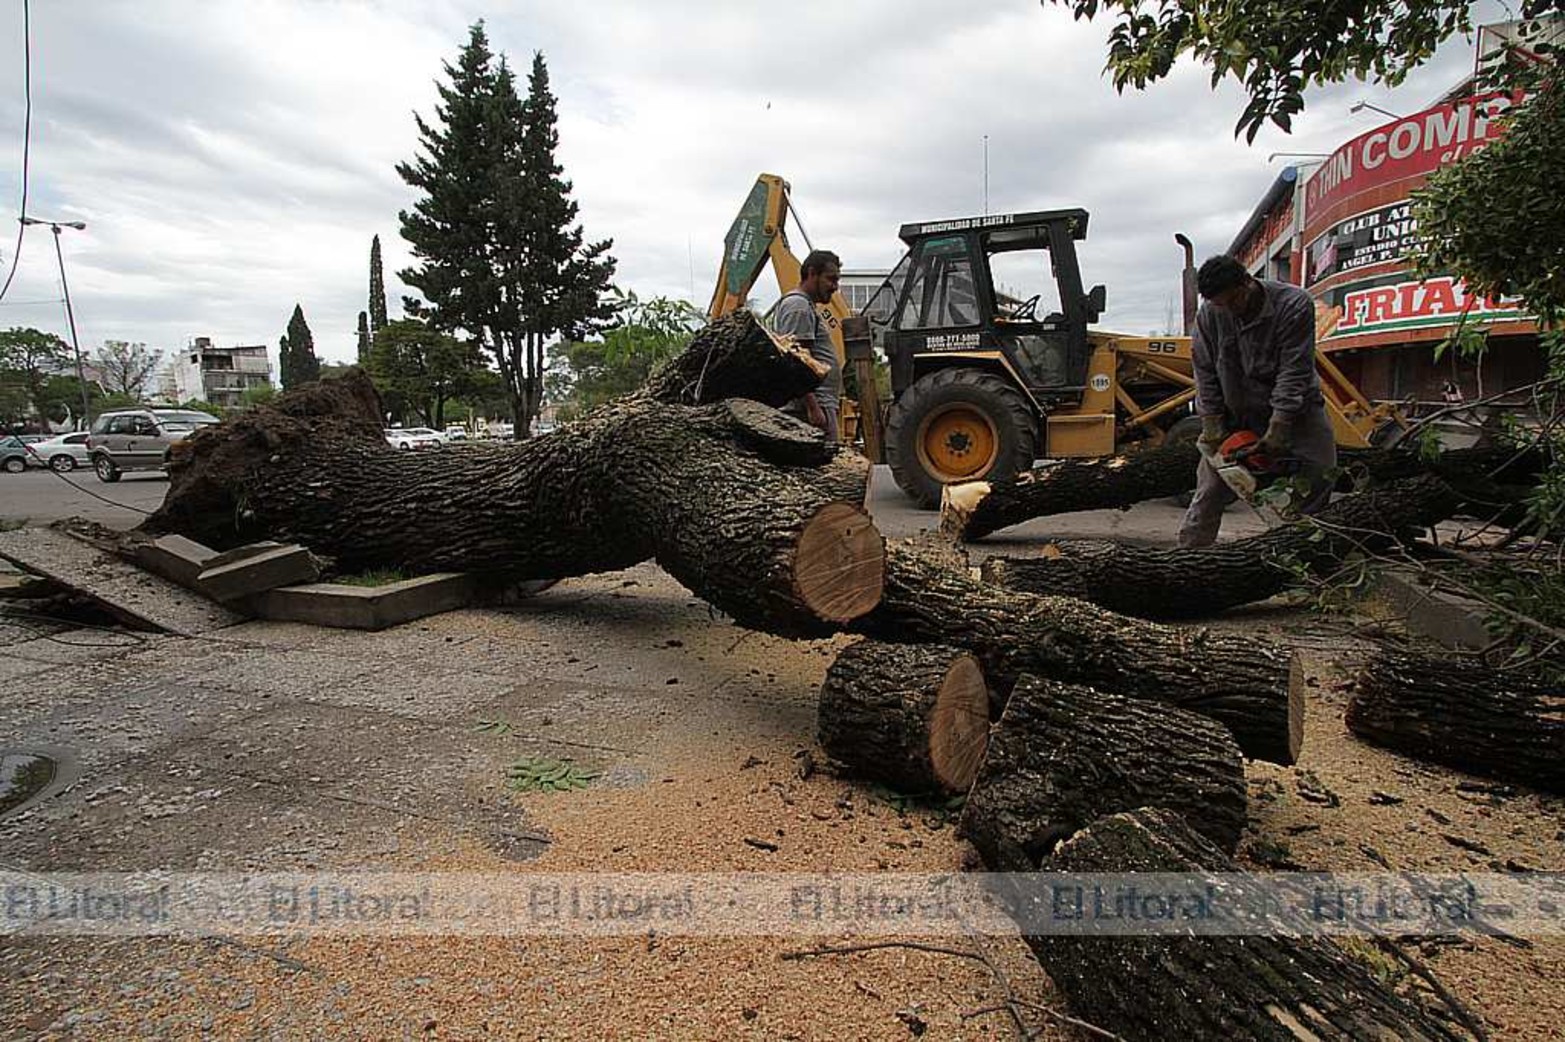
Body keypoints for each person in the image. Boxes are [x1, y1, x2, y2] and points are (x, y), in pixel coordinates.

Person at [1179, 255, 1336, 548]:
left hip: (1298, 410)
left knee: (1320, 472)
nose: (1228, 309)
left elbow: (1295, 369)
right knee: (1210, 488)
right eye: (1219, 304)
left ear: (1247, 283)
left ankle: (1305, 556)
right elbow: (1205, 370)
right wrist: (1211, 421)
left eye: (1232, 301)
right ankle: (1190, 556)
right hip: (1237, 412)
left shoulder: (1293, 305)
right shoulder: (1211, 314)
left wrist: (1279, 426)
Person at [772, 249, 843, 442]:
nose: (835, 287)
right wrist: (813, 408)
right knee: (826, 468)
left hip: (818, 404)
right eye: (831, 279)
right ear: (812, 273)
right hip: (811, 408)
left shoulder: (805, 306)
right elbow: (796, 360)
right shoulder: (799, 307)